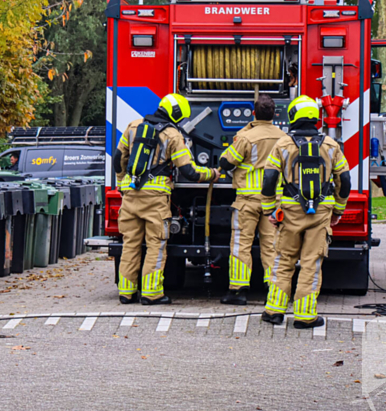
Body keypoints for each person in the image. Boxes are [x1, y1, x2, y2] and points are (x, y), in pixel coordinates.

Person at [113, 93, 217, 305]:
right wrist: (212, 174)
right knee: (156, 246)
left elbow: (117, 159)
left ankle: (126, 292)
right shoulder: (172, 135)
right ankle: (151, 294)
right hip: (155, 199)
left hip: (130, 195)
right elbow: (189, 171)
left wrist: (122, 183)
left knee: (130, 244)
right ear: (176, 114)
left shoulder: (133, 126)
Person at [260, 95, 351, 329]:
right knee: (312, 262)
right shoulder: (331, 146)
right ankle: (305, 316)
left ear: (294, 116)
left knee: (283, 258)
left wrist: (271, 209)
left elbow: (269, 179)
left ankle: (274, 310)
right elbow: (345, 179)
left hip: (289, 210)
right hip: (320, 212)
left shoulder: (282, 144)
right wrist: (338, 209)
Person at [217, 94, 286, 305]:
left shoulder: (246, 137)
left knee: (241, 244)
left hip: (247, 200)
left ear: (253, 113)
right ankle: (274, 289)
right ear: (274, 114)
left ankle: (237, 291)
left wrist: (243, 132)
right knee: (272, 245)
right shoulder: (284, 137)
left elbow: (226, 162)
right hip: (273, 201)